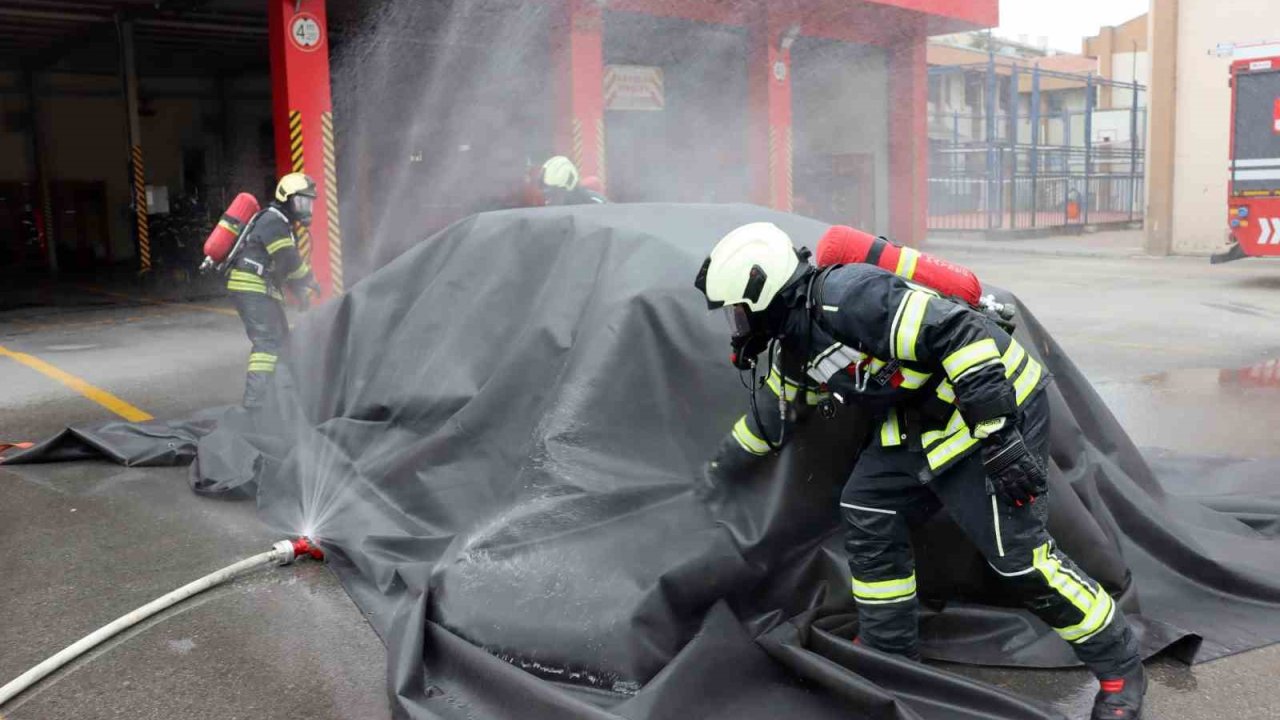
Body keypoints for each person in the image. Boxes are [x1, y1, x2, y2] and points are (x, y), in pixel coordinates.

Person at [693, 222, 1146, 720]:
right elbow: (771, 417)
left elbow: (962, 332)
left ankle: (1121, 666)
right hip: (922, 421)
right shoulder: (795, 347)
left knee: (1020, 558)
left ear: (765, 293)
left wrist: (999, 437)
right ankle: (889, 652)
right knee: (869, 506)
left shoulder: (848, 297)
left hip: (993, 412)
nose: (737, 325)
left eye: (738, 311)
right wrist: (718, 471)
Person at [226, 172, 321, 408]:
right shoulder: (273, 221)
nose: (306, 208)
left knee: (282, 340)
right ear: (286, 198)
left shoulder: (280, 223)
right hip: (251, 285)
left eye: (308, 202)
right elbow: (288, 259)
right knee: (267, 342)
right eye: (301, 201)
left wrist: (300, 292)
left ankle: (280, 395)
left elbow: (283, 268)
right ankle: (255, 402)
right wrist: (309, 279)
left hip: (260, 287)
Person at [539, 155, 607, 206]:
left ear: (568, 186)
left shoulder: (597, 204)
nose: (546, 196)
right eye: (544, 189)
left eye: (553, 192)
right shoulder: (550, 209)